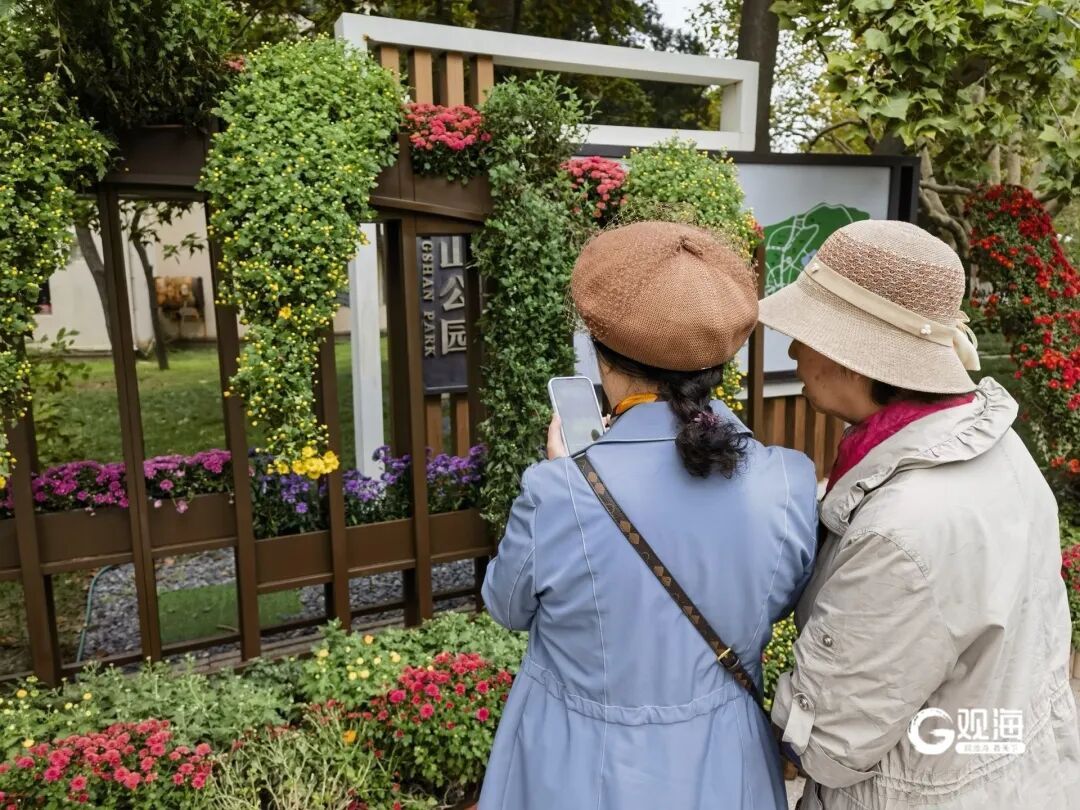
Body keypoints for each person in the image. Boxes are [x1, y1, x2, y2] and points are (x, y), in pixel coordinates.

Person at [478, 221, 818, 810]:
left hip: (576, 768)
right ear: (719, 360)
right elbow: (784, 599)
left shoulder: (559, 490)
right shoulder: (788, 480)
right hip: (726, 764)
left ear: (597, 350)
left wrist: (574, 472)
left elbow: (507, 608)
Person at [759, 219, 1080, 809]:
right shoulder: (998, 446)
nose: (793, 351)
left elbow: (827, 742)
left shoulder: (901, 528)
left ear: (849, 356)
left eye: (805, 334)